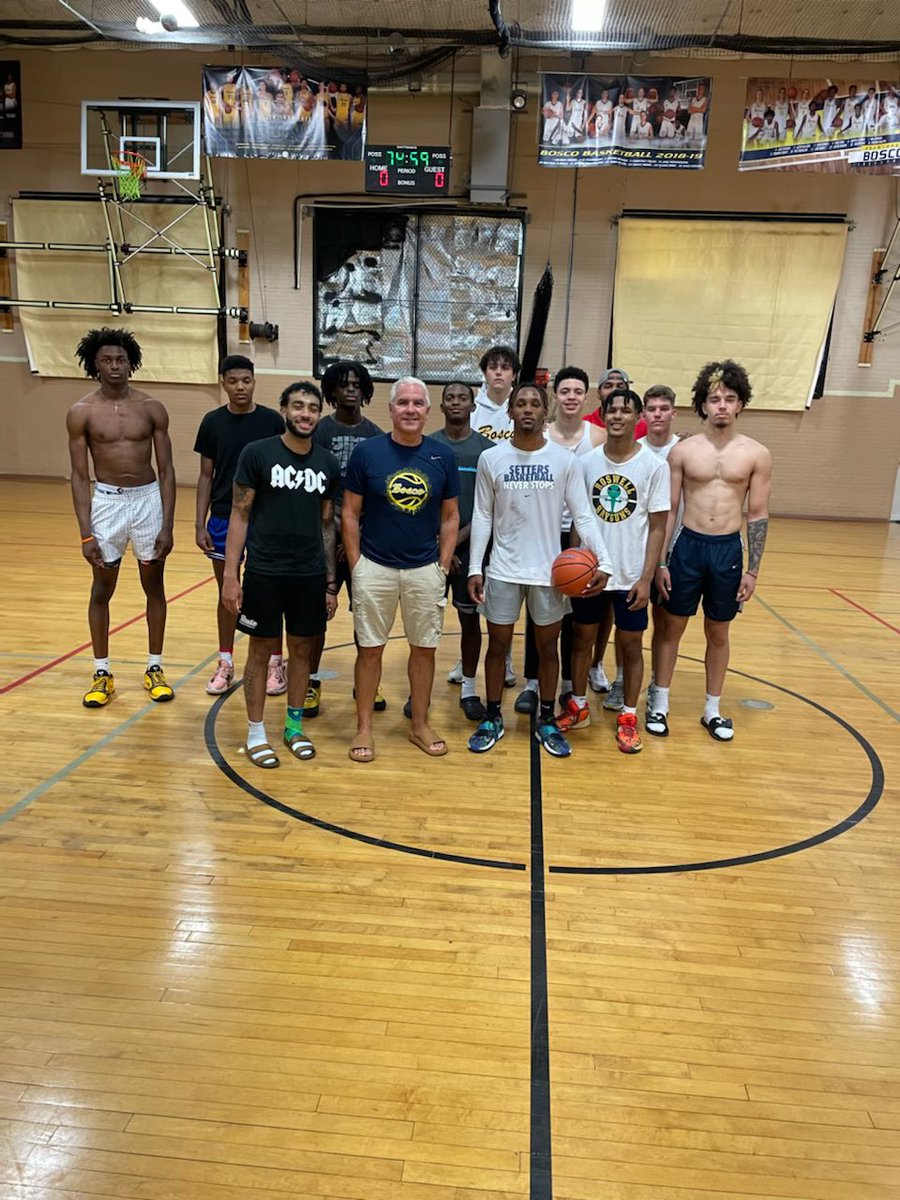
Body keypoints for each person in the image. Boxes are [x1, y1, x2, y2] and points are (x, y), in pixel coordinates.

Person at [466, 383, 612, 759]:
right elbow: (482, 515)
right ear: (510, 412)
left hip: (550, 572)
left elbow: (583, 515)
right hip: (502, 569)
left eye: (535, 403)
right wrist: (474, 567)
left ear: (544, 412)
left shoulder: (565, 461)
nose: (527, 409)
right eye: (521, 403)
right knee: (497, 645)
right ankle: (493, 715)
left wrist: (604, 560)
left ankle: (547, 717)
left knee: (547, 648)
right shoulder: (492, 458)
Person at [221, 381, 340, 767]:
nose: (305, 414)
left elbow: (327, 526)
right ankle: (256, 731)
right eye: (298, 406)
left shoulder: (327, 462)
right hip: (265, 571)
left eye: (312, 408)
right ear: (285, 410)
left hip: (307, 573)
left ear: (319, 415)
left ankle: (293, 727)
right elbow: (239, 514)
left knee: (302, 650)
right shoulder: (258, 454)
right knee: (259, 651)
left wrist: (329, 581)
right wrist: (230, 575)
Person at [652, 361, 772, 741]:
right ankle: (660, 705)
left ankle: (713, 710)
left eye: (730, 399)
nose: (721, 405)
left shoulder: (757, 454)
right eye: (714, 399)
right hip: (688, 545)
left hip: (727, 550)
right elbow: (669, 509)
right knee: (672, 628)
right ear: (703, 405)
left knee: (718, 632)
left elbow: (758, 514)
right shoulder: (683, 452)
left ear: (740, 405)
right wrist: (660, 561)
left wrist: (753, 571)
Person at [343, 377, 460, 763]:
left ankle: (419, 724)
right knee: (369, 651)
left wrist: (442, 565)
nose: (410, 409)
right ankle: (363, 728)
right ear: (391, 409)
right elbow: (349, 512)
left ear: (428, 411)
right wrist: (357, 564)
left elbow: (450, 516)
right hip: (374, 567)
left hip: (424, 569)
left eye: (418, 403)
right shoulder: (367, 453)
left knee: (424, 650)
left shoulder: (443, 456)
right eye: (403, 403)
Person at [67, 327, 175, 708]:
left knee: (154, 587)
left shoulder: (151, 408)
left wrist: (167, 525)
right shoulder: (80, 413)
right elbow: (80, 477)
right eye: (107, 360)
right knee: (101, 589)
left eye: (121, 360)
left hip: (148, 501)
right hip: (107, 503)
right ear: (94, 365)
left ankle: (155, 667)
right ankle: (101, 672)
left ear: (132, 364)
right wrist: (85, 534)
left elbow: (167, 470)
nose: (115, 366)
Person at [557, 387, 669, 754]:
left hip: (631, 574)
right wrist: (577, 558)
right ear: (602, 417)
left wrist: (646, 577)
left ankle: (628, 717)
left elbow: (657, 526)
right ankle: (578, 706)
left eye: (625, 411)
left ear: (637, 418)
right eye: (612, 411)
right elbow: (578, 518)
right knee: (581, 641)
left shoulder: (654, 466)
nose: (618, 416)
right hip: (591, 571)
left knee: (631, 645)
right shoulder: (585, 463)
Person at [194, 355, 286, 696]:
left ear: (254, 381)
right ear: (223, 382)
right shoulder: (212, 422)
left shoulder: (272, 421)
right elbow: (206, 476)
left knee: (271, 595)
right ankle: (226, 661)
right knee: (228, 593)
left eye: (246, 380)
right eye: (233, 381)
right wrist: (198, 523)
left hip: (264, 519)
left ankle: (276, 662)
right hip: (222, 516)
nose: (240, 387)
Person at [516, 366, 605, 715]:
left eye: (577, 391)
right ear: (555, 396)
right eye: (564, 391)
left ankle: (569, 680)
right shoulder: (543, 432)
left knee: (574, 608)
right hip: (543, 527)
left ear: (586, 396)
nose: (571, 397)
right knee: (538, 612)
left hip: (580, 532)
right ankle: (532, 682)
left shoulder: (596, 437)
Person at [306, 360, 383, 717]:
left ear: (365, 391)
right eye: (343, 384)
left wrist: (355, 531)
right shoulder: (319, 432)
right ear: (332, 391)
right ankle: (310, 681)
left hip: (361, 536)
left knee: (364, 614)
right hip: (322, 532)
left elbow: (379, 495)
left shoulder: (375, 435)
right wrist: (329, 533)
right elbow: (312, 492)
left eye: (357, 384)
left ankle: (365, 681)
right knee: (316, 617)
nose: (350, 389)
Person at [427, 382, 497, 721]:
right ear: (441, 407)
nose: (456, 402)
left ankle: (469, 688)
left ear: (473, 406)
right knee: (424, 622)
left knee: (470, 622)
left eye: (463, 398)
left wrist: (453, 544)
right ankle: (420, 690)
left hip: (473, 550)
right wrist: (441, 546)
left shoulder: (487, 451)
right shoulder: (427, 446)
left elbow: (489, 509)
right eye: (450, 398)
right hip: (429, 549)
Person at [472, 343, 519, 442]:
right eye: (493, 367)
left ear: (514, 375)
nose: (498, 372)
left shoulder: (522, 409)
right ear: (485, 374)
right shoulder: (472, 411)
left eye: (505, 368)